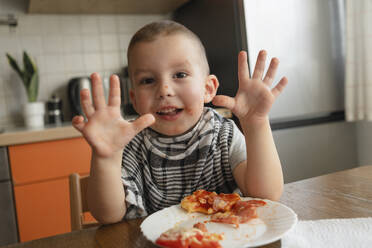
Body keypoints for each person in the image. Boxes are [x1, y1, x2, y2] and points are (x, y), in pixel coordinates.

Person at [72, 20, 288, 223]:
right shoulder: (130, 142)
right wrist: (107, 158)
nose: (164, 90)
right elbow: (108, 216)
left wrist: (256, 124)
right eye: (148, 80)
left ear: (208, 88)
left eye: (180, 75)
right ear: (135, 100)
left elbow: (266, 195)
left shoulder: (223, 134)